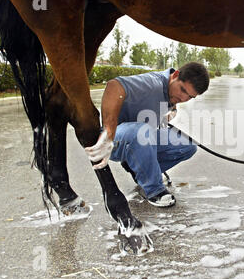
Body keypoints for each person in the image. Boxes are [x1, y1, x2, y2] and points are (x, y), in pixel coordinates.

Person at [85, 62, 210, 207]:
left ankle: (141, 171)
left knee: (188, 146)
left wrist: (171, 112)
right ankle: (154, 190)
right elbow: (114, 86)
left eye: (190, 97)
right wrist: (108, 132)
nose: (183, 98)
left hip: (142, 139)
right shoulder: (152, 83)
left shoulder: (171, 91)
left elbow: (172, 103)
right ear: (175, 75)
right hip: (115, 141)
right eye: (182, 90)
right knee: (144, 131)